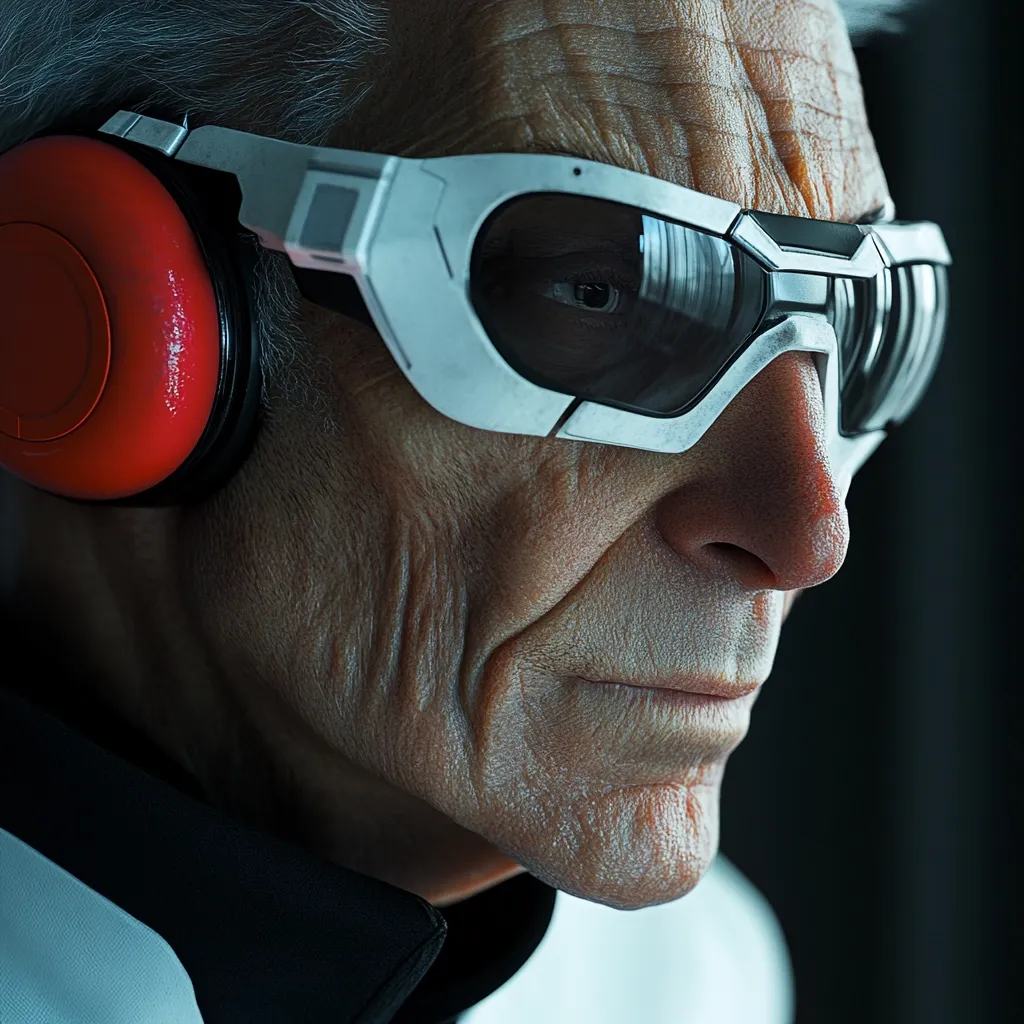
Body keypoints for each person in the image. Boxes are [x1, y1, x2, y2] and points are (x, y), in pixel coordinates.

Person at [0, 1, 947, 1022]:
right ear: (103, 313)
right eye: (599, 294)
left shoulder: (692, 976)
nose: (810, 536)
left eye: (872, 317)